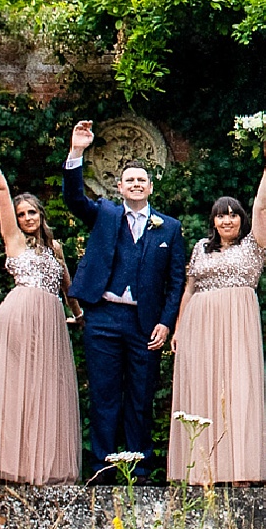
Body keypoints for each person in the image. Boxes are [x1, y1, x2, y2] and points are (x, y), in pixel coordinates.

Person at [63, 123, 187, 480]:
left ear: (150, 187)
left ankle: (141, 466)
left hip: (144, 322)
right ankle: (102, 465)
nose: (135, 184)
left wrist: (165, 321)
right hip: (102, 317)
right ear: (119, 187)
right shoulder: (104, 214)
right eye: (129, 180)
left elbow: (176, 281)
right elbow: (73, 199)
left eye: (141, 180)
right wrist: (76, 152)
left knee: (140, 395)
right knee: (103, 393)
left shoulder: (169, 228)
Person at [0, 129, 81, 485]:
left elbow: (68, 288)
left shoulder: (56, 249)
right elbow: (1, 191)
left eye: (32, 211)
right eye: (21, 213)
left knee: (48, 389)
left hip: (51, 320)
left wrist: (79, 315)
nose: (27, 217)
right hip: (19, 313)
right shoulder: (14, 241)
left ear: (40, 214)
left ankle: (43, 467)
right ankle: (13, 465)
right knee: (18, 386)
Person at [167, 141, 266, 486]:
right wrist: (178, 328)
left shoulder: (253, 246)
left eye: (232, 213)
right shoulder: (201, 247)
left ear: (240, 219)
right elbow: (188, 289)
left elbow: (262, 207)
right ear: (213, 221)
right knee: (201, 391)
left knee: (237, 389)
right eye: (220, 214)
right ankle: (202, 471)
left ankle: (240, 471)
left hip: (237, 323)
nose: (226, 219)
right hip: (199, 323)